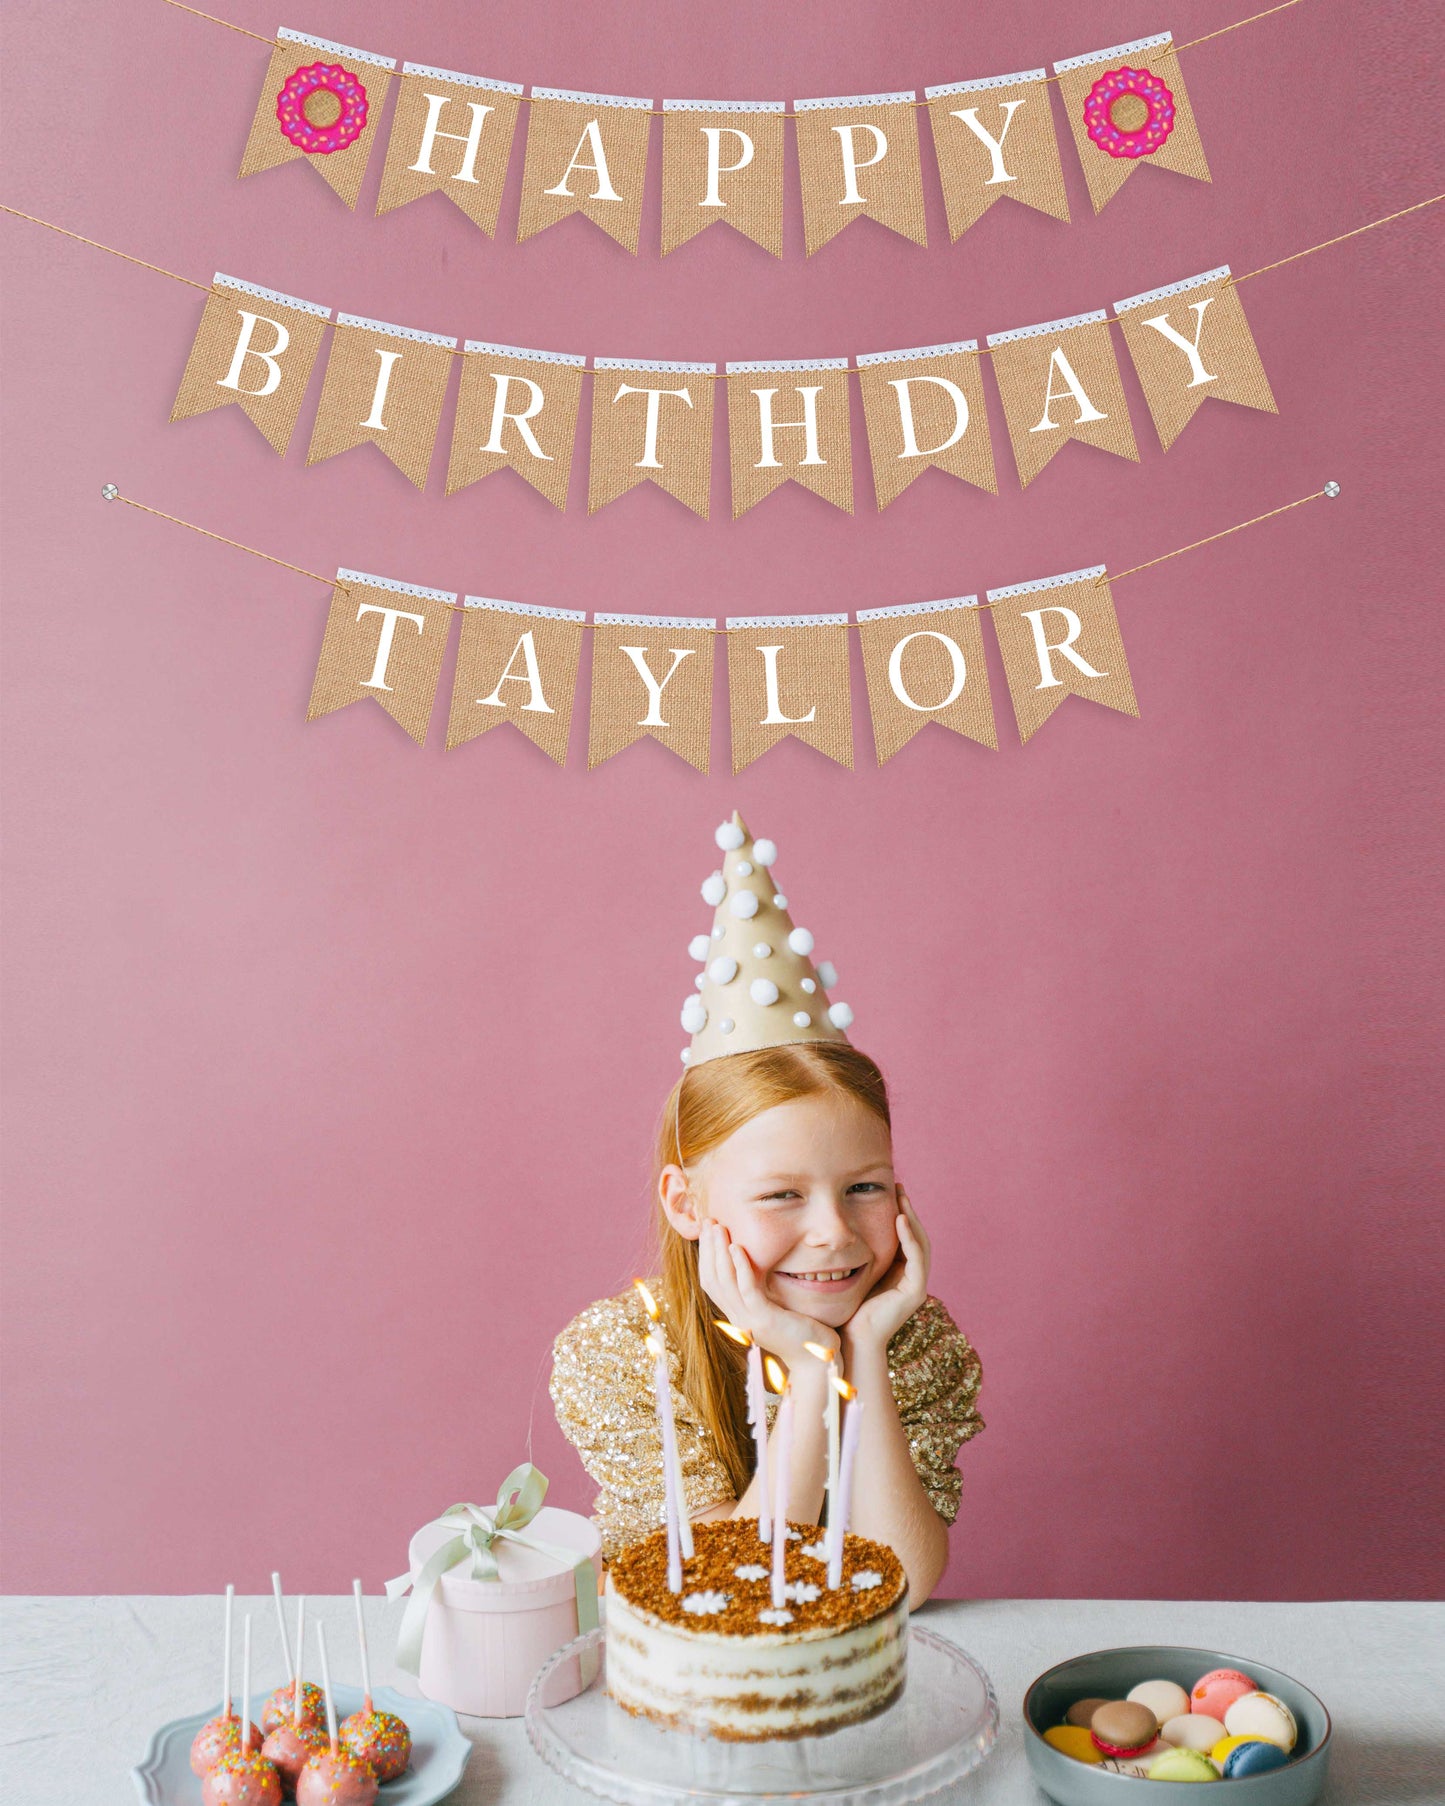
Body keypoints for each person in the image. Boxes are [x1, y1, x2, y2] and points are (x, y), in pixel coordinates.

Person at [550, 816, 984, 1607]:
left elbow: (904, 1584)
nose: (834, 1232)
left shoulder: (913, 1340)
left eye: (865, 1186)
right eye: (782, 1194)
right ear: (687, 1204)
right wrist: (814, 1374)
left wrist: (863, 1358)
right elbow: (731, 1593)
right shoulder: (622, 1354)